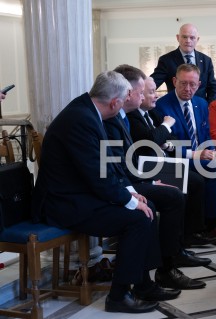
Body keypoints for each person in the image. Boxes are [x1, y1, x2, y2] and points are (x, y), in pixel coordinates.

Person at [31, 71, 175, 314]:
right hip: (65, 203)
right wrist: (128, 201)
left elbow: (107, 166)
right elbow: (97, 175)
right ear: (115, 102)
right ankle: (118, 296)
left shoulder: (86, 110)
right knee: (138, 218)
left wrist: (130, 193)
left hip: (81, 194)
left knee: (145, 205)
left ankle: (143, 284)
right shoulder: (82, 119)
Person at [104, 65, 209, 290]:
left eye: (149, 92)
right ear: (128, 94)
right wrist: (148, 182)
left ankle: (178, 248)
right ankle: (167, 264)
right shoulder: (124, 117)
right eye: (146, 92)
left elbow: (155, 142)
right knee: (174, 194)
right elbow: (146, 144)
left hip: (149, 167)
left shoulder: (138, 113)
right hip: (143, 171)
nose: (151, 97)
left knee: (193, 181)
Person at [155, 63, 216, 245]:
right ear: (174, 81)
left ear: (199, 84)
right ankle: (211, 225)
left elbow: (206, 134)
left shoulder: (201, 104)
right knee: (212, 167)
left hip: (202, 156)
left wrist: (212, 151)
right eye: (183, 83)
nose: (188, 89)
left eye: (193, 84)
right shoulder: (162, 106)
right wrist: (197, 154)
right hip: (177, 159)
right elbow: (166, 144)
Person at [127, 77, 215, 248]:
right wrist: (166, 125)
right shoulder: (132, 116)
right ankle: (176, 242)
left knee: (196, 181)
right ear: (139, 94)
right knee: (185, 185)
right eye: (151, 92)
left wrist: (166, 141)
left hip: (162, 162)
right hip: (146, 167)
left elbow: (169, 138)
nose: (156, 96)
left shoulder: (150, 112)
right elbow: (152, 138)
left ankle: (191, 233)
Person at [150, 23, 216, 103]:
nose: (188, 41)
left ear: (197, 39)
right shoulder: (166, 60)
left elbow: (213, 88)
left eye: (192, 37)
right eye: (184, 37)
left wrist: (209, 108)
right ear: (178, 38)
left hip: (200, 110)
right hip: (175, 108)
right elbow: (152, 84)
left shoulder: (206, 60)